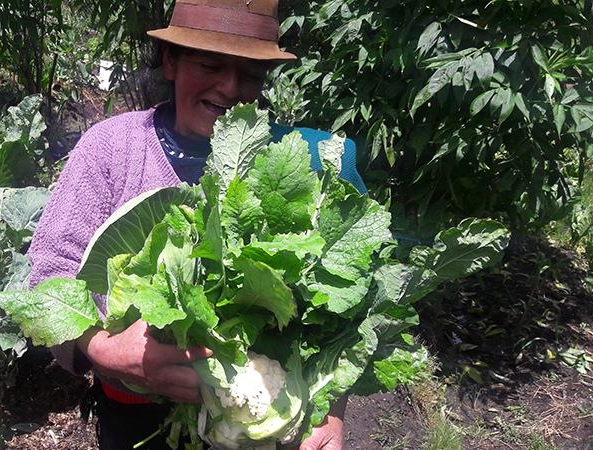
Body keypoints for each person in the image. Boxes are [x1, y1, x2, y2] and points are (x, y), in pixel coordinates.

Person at [28, 0, 365, 448]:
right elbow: (49, 276)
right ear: (170, 61)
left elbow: (340, 312)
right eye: (210, 65)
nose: (230, 88)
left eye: (250, 75)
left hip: (251, 425)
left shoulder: (291, 164)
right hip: (136, 420)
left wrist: (329, 412)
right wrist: (104, 351)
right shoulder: (111, 149)